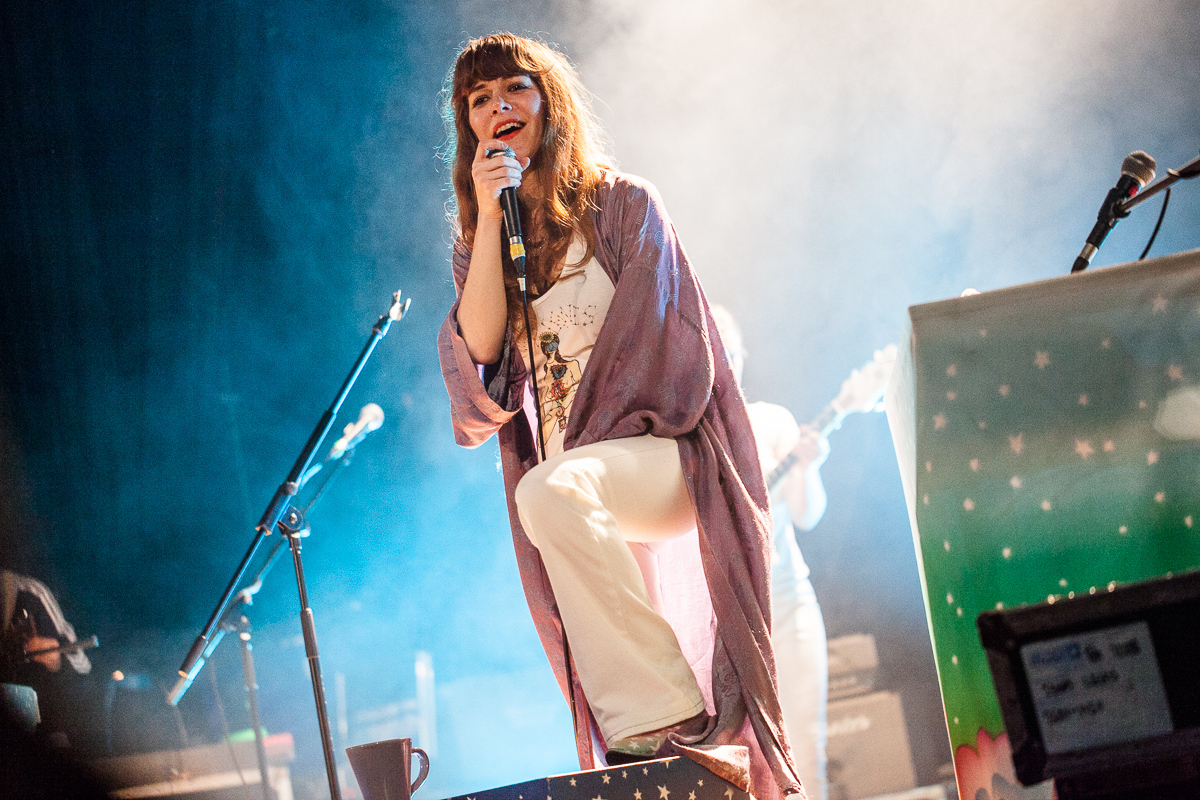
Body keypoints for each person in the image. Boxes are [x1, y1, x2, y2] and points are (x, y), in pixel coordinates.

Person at [437, 33, 804, 800]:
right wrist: (487, 215)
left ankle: (666, 715)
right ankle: (654, 750)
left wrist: (590, 443)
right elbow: (479, 353)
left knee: (547, 492)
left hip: (665, 460)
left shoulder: (624, 203)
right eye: (479, 100)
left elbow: (666, 356)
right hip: (586, 478)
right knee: (553, 495)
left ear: (550, 103)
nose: (498, 107)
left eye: (515, 90)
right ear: (467, 127)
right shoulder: (493, 242)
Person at [711, 306, 830, 800]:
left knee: (806, 750)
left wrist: (810, 467)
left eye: (730, 353)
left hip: (789, 605)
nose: (724, 365)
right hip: (730, 625)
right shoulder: (693, 437)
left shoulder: (771, 421)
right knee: (745, 768)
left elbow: (807, 515)